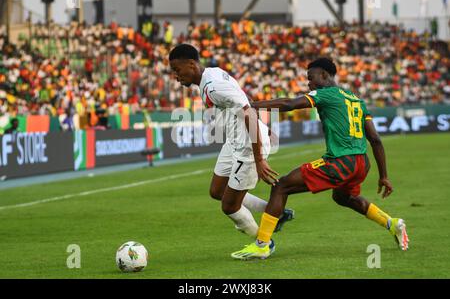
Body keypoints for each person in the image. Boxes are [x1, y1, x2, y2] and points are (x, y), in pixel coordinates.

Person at [231, 58, 409, 260]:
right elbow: (375, 140)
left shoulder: (325, 94)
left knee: (281, 186)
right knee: (343, 197)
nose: (309, 83)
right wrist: (384, 175)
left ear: (324, 75)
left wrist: (252, 105)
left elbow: (290, 104)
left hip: (341, 161)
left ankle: (262, 244)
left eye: (311, 77)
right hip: (361, 163)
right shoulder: (356, 99)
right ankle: (392, 223)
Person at [169, 44, 294, 249]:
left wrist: (259, 159)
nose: (175, 75)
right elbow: (245, 100)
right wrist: (265, 126)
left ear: (191, 64)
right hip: (234, 142)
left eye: (177, 69)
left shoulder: (213, 86)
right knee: (217, 191)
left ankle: (263, 243)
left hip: (248, 146)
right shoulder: (213, 74)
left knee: (229, 206)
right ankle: (275, 212)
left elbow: (248, 114)